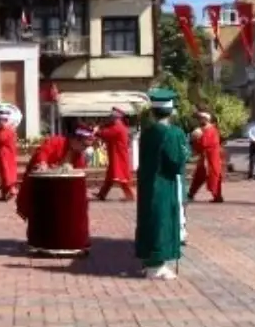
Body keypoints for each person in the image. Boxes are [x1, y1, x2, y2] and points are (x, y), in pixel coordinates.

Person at [135, 88, 186, 280]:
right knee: (162, 221)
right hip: (164, 183)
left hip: (148, 182)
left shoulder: (148, 132)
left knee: (149, 219)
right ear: (171, 112)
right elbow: (175, 161)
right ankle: (157, 265)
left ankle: (148, 261)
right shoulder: (172, 133)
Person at [15, 126, 92, 222]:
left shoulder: (79, 156)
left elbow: (79, 173)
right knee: (38, 212)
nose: (85, 149)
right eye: (84, 145)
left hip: (60, 190)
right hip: (43, 185)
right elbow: (43, 152)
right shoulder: (57, 141)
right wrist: (42, 163)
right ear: (75, 139)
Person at [94, 107, 135, 201]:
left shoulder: (118, 126)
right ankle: (102, 194)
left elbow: (106, 134)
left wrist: (97, 131)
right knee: (110, 177)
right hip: (116, 155)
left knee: (121, 177)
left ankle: (130, 196)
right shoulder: (118, 125)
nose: (110, 118)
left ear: (116, 117)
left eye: (111, 116)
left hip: (119, 156)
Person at [187, 110, 224, 203]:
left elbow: (205, 144)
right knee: (198, 176)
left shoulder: (211, 130)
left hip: (211, 158)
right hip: (205, 158)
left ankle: (217, 196)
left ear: (206, 120)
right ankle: (191, 194)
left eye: (201, 119)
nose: (199, 121)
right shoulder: (203, 130)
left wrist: (196, 138)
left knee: (214, 177)